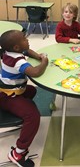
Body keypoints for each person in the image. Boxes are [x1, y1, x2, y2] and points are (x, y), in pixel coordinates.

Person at [0, 30, 48, 167]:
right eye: (24, 38)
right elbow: (36, 72)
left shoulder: (8, 52)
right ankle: (18, 153)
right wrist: (44, 61)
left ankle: (21, 114)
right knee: (33, 116)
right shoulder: (17, 61)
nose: (27, 39)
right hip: (8, 97)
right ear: (16, 47)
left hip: (9, 91)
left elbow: (27, 51)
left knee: (31, 90)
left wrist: (38, 56)